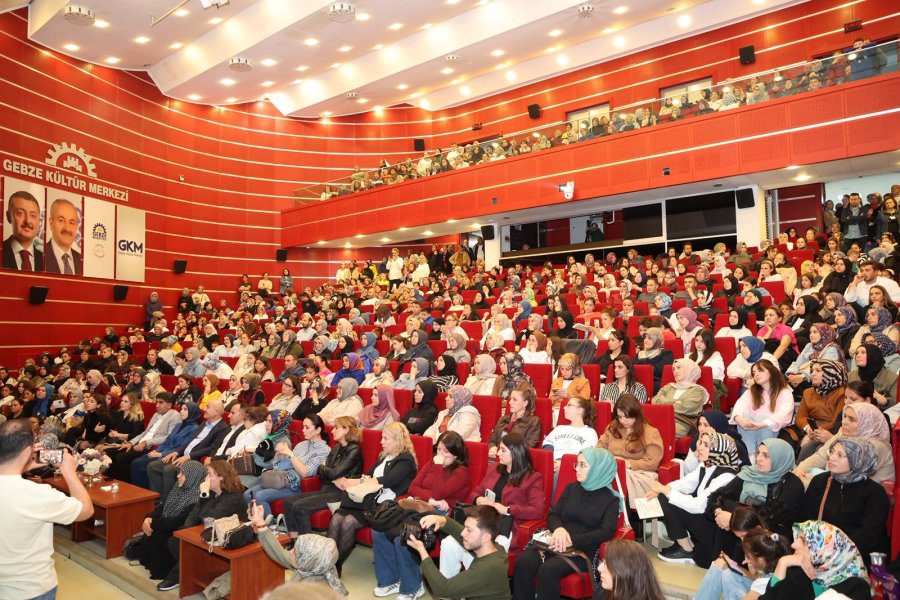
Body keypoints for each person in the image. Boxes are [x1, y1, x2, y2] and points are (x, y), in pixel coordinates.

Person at [0, 419, 93, 599]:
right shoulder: (37, 494)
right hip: (29, 589)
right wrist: (69, 473)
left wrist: (22, 464)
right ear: (28, 451)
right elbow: (85, 511)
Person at [372, 431, 472, 599]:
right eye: (439, 449)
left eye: (446, 451)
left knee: (404, 536)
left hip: (440, 516)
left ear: (456, 454)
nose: (440, 455)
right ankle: (390, 580)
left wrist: (438, 468)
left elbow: (441, 491)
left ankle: (413, 587)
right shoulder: (430, 463)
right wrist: (431, 498)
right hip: (418, 508)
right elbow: (413, 487)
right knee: (379, 530)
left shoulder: (461, 472)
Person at [511, 448, 621, 600]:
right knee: (523, 561)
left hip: (582, 550)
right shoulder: (572, 488)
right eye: (577, 464)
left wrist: (570, 540)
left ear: (598, 468)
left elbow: (606, 532)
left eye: (583, 465)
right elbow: (553, 514)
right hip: (555, 541)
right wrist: (559, 529)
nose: (576, 469)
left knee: (549, 570)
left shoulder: (611, 499)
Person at [439, 432, 546, 578]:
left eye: (503, 450)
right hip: (482, 522)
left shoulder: (532, 477)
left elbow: (538, 510)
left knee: (478, 551)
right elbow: (474, 492)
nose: (498, 453)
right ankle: (448, 591)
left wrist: (507, 509)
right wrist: (478, 499)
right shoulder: (494, 469)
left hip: (505, 528)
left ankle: (473, 589)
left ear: (515, 453)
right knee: (448, 543)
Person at [327, 422, 417, 573]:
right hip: (365, 500)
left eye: (386, 438)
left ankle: (333, 567)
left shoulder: (406, 460)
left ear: (397, 440)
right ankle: (327, 563)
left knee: (348, 522)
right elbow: (368, 474)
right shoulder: (385, 456)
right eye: (382, 438)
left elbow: (388, 480)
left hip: (380, 506)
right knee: (336, 519)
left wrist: (357, 481)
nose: (381, 442)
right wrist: (363, 480)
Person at [154, 460, 246, 591]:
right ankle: (189, 573)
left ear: (221, 477)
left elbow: (209, 516)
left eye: (209, 475)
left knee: (183, 543)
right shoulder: (213, 492)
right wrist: (185, 529)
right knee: (177, 540)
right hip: (212, 531)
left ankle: (177, 576)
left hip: (232, 537)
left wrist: (204, 494)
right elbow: (195, 512)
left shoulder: (233, 497)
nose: (206, 479)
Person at [652, 432, 740, 567]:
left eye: (706, 445)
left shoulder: (727, 475)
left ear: (719, 450)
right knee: (665, 496)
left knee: (668, 498)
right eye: (701, 443)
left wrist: (666, 491)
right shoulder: (708, 464)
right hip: (702, 517)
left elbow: (700, 506)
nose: (700, 448)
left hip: (714, 526)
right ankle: (685, 544)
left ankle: (686, 549)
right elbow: (685, 483)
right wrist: (662, 488)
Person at [800, 437, 889, 561]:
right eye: (831, 452)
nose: (832, 458)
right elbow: (806, 518)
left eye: (840, 455)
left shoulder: (875, 494)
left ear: (857, 460)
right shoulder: (820, 481)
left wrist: (834, 552)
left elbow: (868, 535)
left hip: (853, 558)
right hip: (817, 552)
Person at [282, 416, 364, 540]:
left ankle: (307, 546)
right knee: (288, 502)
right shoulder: (336, 448)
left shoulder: (354, 450)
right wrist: (331, 474)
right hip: (327, 488)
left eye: (336, 428)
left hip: (342, 493)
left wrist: (328, 472)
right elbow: (324, 474)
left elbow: (332, 473)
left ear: (346, 430)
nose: (332, 431)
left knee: (300, 507)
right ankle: (294, 540)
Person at [707, 438, 804, 541]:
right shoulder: (750, 473)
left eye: (766, 455)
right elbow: (719, 496)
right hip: (740, 529)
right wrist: (718, 511)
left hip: (771, 539)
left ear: (780, 458)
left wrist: (733, 520)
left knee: (730, 508)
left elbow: (769, 517)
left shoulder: (793, 484)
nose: (758, 458)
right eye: (758, 453)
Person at [596, 394, 663, 540]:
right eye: (619, 417)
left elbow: (652, 462)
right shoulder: (613, 427)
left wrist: (628, 464)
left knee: (620, 478)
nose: (623, 421)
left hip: (641, 473)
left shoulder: (650, 432)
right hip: (613, 470)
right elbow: (600, 447)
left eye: (627, 417)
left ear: (636, 414)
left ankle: (625, 523)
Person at [410, 506, 510, 600]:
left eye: (469, 530)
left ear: (486, 537)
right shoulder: (495, 549)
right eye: (465, 527)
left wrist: (422, 551)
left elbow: (442, 589)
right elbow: (458, 531)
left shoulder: (487, 568)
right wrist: (440, 520)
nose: (463, 533)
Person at [244, 414, 330, 516]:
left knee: (259, 496)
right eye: (303, 426)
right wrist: (280, 454)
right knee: (247, 494)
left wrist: (290, 454)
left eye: (307, 427)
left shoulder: (324, 450)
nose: (303, 430)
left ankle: (268, 528)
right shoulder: (301, 445)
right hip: (283, 479)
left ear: (318, 430)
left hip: (297, 486)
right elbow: (282, 463)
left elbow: (306, 473)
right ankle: (257, 525)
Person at [762, 520, 870, 600]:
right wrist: (783, 562)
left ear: (826, 550)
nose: (794, 545)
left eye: (804, 541)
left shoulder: (855, 587)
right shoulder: (800, 573)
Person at [137, 460, 207, 580]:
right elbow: (163, 507)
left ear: (193, 477)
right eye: (179, 472)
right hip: (169, 525)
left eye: (183, 474)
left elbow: (178, 522)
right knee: (154, 529)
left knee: (158, 533)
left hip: (181, 531)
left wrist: (152, 523)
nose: (178, 476)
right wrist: (149, 518)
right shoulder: (179, 488)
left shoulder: (197, 497)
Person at [796, 402, 894, 484]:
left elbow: (845, 478)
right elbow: (820, 456)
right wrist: (799, 472)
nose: (844, 422)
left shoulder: (874, 446)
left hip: (863, 499)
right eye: (845, 416)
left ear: (867, 423)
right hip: (839, 488)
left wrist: (806, 479)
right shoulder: (844, 434)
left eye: (852, 419)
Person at [730, 360, 794, 459]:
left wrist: (762, 424)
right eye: (754, 373)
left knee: (760, 418)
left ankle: (762, 455)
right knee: (744, 417)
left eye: (760, 370)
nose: (756, 374)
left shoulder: (785, 392)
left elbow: (784, 415)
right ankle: (751, 456)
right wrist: (739, 419)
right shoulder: (751, 391)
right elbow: (740, 405)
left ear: (771, 371)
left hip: (772, 430)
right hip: (751, 429)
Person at [650, 358, 708, 437]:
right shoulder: (668, 387)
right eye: (673, 369)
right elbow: (654, 401)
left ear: (689, 369)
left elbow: (686, 407)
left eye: (679, 367)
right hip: (660, 418)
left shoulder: (698, 391)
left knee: (656, 433)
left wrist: (664, 403)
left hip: (681, 423)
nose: (675, 371)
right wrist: (677, 402)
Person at [594, 539, 666, 600]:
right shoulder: (602, 594)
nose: (599, 568)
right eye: (603, 562)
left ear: (625, 571)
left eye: (606, 564)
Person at [488, 386, 542, 457]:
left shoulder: (533, 421)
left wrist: (505, 452)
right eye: (510, 399)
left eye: (515, 400)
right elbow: (492, 440)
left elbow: (528, 447)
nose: (510, 402)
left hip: (515, 461)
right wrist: (492, 448)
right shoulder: (503, 419)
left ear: (525, 403)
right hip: (497, 456)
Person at [2, 190, 44, 271]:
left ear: (39, 221)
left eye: (33, 215)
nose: (27, 221)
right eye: (20, 213)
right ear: (8, 216)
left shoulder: (45, 260)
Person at [44, 197, 82, 274]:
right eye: (61, 220)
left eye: (71, 222)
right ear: (51, 223)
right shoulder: (39, 256)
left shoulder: (82, 261)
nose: (67, 228)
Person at [634, 327, 674, 394]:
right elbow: (632, 369)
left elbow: (658, 370)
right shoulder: (640, 354)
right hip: (638, 382)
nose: (646, 340)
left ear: (657, 341)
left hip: (656, 385)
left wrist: (643, 362)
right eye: (645, 338)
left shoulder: (666, 354)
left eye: (649, 338)